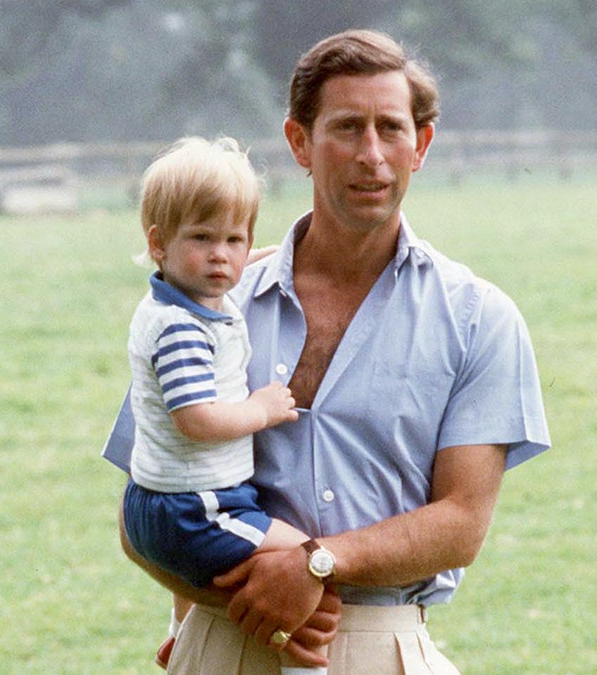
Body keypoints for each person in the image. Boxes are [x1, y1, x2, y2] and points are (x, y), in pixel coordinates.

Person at [104, 29, 551, 674]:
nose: (371, 154)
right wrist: (210, 610)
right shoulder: (209, 306)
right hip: (227, 636)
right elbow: (143, 499)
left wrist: (315, 563)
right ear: (299, 144)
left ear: (420, 145)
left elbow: (460, 524)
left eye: (391, 129)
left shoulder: (479, 318)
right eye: (346, 128)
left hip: (382, 648)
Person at [121, 136, 329, 673]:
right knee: (307, 561)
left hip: (159, 501)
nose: (221, 255)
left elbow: (232, 268)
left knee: (211, 581)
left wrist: (276, 255)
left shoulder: (185, 297)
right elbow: (195, 418)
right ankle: (309, 667)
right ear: (158, 243)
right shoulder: (181, 328)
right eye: (202, 238)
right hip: (197, 508)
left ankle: (178, 636)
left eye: (235, 240)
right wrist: (261, 411)